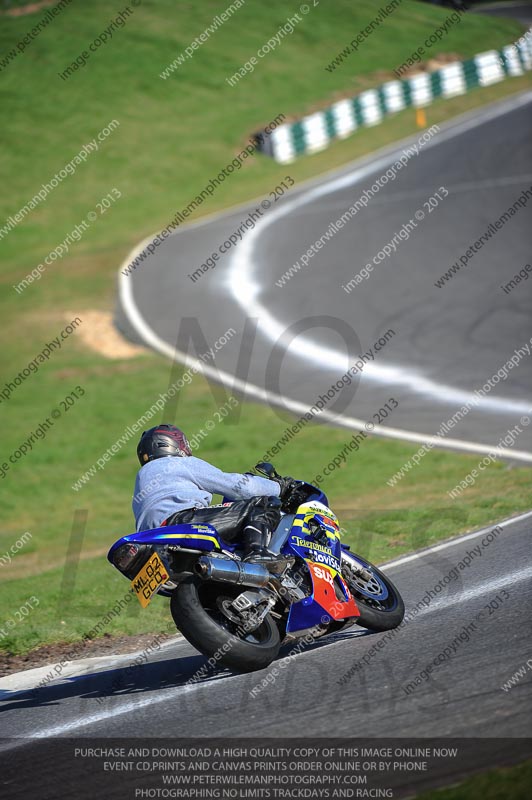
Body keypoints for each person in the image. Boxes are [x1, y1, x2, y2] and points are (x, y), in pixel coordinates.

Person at [133, 423, 290, 566]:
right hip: (181, 523)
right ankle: (257, 553)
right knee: (262, 504)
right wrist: (280, 487)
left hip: (152, 542)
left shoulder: (142, 479)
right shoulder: (179, 463)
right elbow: (240, 487)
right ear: (173, 444)